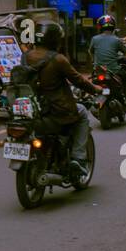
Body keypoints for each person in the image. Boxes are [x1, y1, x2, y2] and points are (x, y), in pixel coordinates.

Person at [26, 23, 100, 182]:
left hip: (31, 111)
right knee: (82, 112)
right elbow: (79, 80)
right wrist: (96, 89)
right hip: (55, 112)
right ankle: (78, 157)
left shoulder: (25, 57)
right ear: (54, 40)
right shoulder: (58, 59)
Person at [89, 14, 126, 107]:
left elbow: (91, 52)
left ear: (100, 27)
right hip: (114, 70)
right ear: (113, 26)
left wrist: (93, 61)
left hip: (99, 71)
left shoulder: (94, 39)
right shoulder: (117, 40)